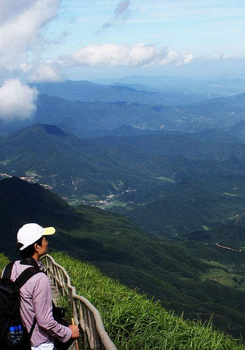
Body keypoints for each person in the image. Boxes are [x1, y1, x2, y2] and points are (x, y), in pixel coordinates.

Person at [10, 223, 80, 350]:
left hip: (14, 338)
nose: (47, 242)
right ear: (36, 246)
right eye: (44, 239)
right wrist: (69, 332)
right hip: (39, 344)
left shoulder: (10, 268)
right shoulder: (39, 279)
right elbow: (45, 321)